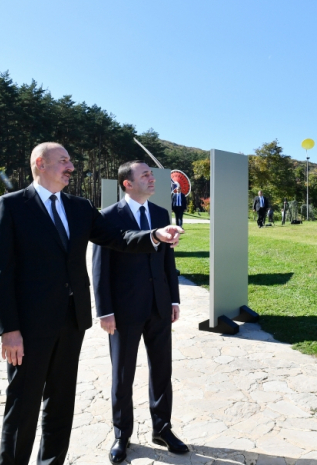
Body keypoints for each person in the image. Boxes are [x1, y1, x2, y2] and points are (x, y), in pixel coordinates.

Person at [0, 143, 182, 465]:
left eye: (71, 161)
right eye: (63, 161)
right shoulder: (11, 206)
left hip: (71, 323)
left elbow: (118, 237)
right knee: (23, 406)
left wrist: (154, 236)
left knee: (60, 404)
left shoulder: (79, 208)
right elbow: (0, 273)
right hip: (29, 329)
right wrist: (9, 329)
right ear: (40, 163)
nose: (71, 167)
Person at [93, 161, 189, 463]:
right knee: (122, 375)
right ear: (127, 184)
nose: (152, 178)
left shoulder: (161, 214)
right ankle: (122, 435)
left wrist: (173, 300)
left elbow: (167, 262)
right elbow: (99, 269)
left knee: (162, 372)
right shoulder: (108, 218)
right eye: (145, 175)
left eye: (151, 173)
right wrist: (105, 310)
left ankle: (162, 428)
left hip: (159, 306)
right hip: (122, 312)